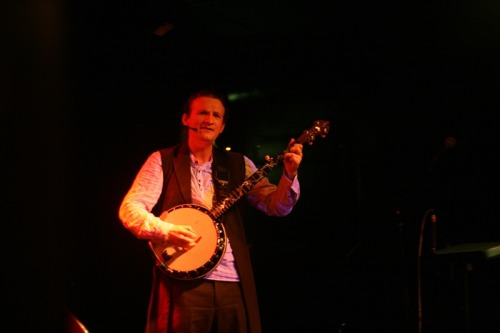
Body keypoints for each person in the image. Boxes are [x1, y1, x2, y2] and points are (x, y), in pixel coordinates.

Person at [118, 89, 303, 333]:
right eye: (203, 112)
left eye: (216, 115)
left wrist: (289, 174)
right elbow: (130, 208)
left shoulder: (240, 164)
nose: (209, 119)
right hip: (184, 284)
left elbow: (275, 206)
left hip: (233, 282)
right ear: (186, 119)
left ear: (222, 126)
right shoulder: (162, 160)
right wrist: (165, 230)